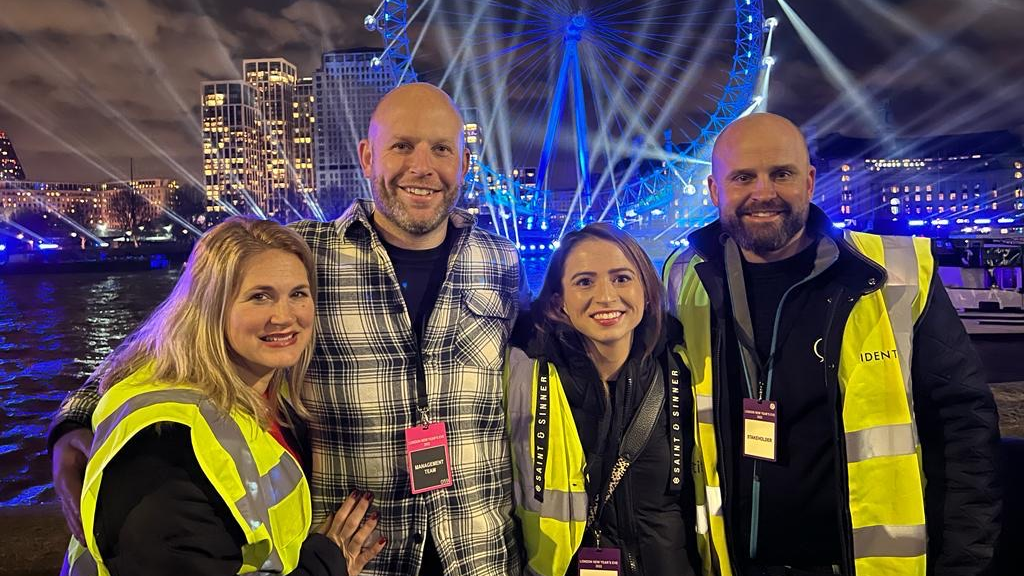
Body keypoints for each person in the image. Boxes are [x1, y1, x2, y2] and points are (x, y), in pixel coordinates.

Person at [51, 83, 528, 576]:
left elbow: (550, 353)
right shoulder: (300, 256)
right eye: (402, 145)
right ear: (367, 157)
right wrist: (72, 429)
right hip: (355, 559)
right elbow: (174, 341)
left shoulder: (499, 261)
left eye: (441, 148)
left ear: (465, 164)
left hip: (481, 554)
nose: (421, 166)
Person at [663, 113, 1001, 576]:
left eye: (781, 173)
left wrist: (964, 563)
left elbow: (965, 432)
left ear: (809, 182)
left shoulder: (896, 273)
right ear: (715, 191)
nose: (763, 192)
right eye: (743, 177)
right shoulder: (683, 281)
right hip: (732, 563)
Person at [61, 217, 384, 576]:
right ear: (210, 306)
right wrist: (326, 563)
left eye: (298, 294)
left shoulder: (276, 390)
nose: (284, 316)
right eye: (259, 296)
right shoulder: (164, 443)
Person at [504, 223, 699, 576]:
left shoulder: (684, 370)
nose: (607, 296)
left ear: (646, 290)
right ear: (558, 302)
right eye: (584, 282)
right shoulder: (523, 379)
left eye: (622, 278)